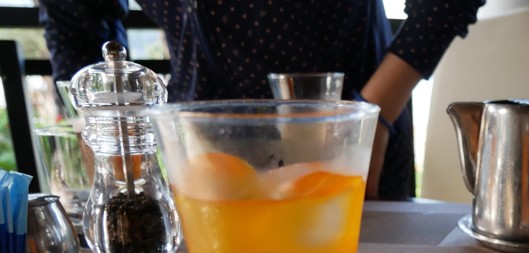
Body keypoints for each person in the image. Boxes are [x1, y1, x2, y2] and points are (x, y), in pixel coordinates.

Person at [38, 0, 486, 200]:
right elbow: (73, 16)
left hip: (349, 126)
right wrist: (102, 131)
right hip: (197, 149)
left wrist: (375, 114)